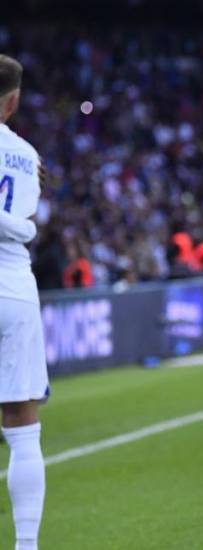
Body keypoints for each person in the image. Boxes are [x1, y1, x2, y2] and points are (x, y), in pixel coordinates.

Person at [0, 53, 48, 550]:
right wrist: (21, 228)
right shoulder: (28, 155)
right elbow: (29, 221)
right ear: (12, 101)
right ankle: (27, 545)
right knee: (21, 424)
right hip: (13, 285)